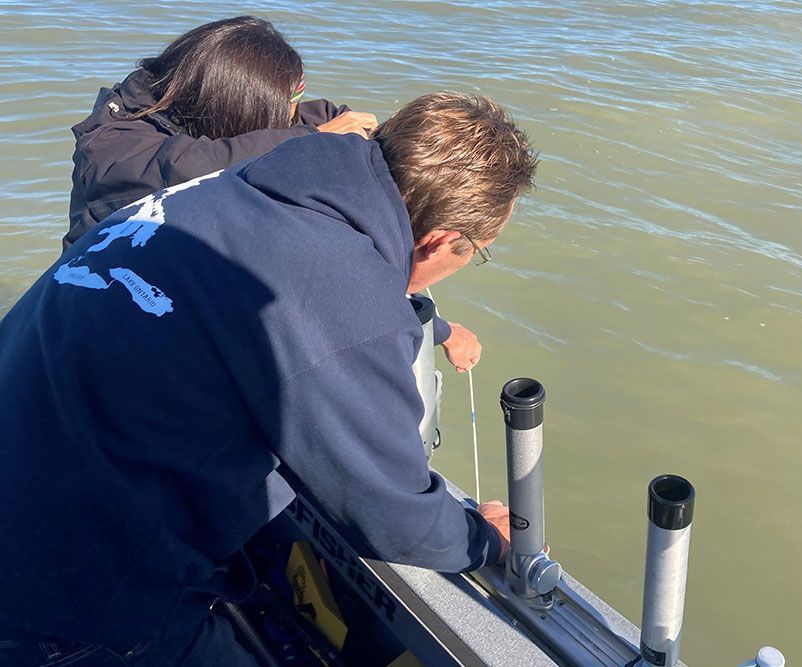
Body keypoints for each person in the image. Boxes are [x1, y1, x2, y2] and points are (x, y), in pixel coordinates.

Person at [0, 91, 535, 665]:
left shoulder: (245, 185)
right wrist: (483, 538)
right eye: (476, 251)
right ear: (438, 241)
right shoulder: (347, 298)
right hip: (61, 596)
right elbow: (390, 513)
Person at [66, 15, 481, 373]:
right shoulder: (117, 150)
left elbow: (313, 119)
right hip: (105, 320)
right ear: (233, 104)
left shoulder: (208, 110)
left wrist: (377, 141)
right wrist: (306, 139)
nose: (293, 112)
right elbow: (186, 167)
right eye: (287, 102)